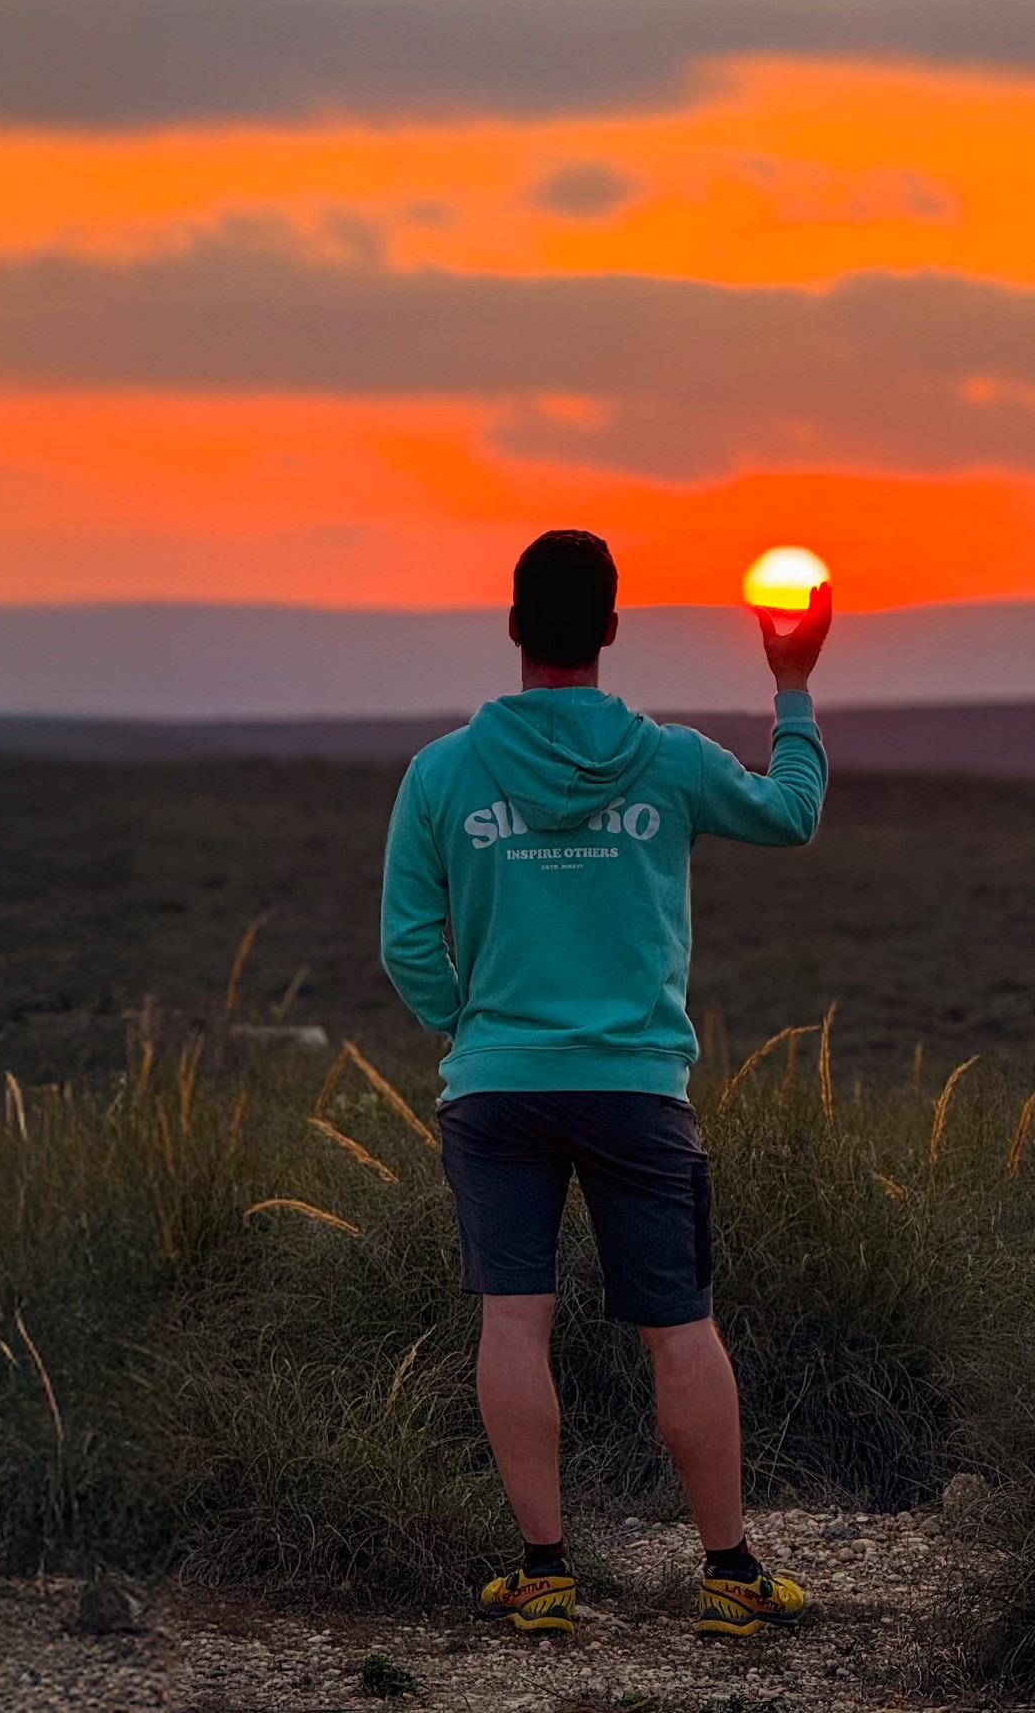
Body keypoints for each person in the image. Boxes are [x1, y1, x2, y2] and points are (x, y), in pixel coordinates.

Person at [377, 528, 834, 1639]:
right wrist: (791, 690)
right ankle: (727, 1577)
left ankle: (543, 1573)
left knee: (513, 1321)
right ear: (612, 631)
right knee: (679, 1328)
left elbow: (405, 944)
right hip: (635, 1087)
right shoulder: (668, 761)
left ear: (514, 629)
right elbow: (790, 814)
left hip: (495, 1093)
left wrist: (477, 1029)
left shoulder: (441, 773)